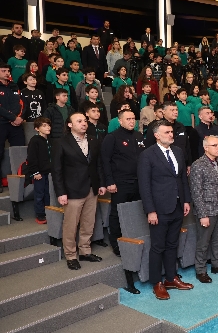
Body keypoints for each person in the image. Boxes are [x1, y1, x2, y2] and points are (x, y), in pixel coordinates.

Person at [138, 120, 193, 300]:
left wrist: (186, 200)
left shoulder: (178, 151)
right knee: (158, 247)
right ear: (156, 135)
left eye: (172, 132)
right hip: (159, 208)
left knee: (172, 244)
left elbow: (182, 179)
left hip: (177, 206)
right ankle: (157, 282)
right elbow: (144, 185)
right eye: (167, 132)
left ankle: (171, 278)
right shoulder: (147, 155)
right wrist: (150, 210)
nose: (171, 134)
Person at [51, 112, 106, 270]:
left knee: (88, 223)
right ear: (70, 125)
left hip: (92, 188)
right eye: (79, 121)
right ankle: (70, 255)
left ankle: (85, 251)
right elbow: (56, 170)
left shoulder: (93, 140)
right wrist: (60, 192)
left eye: (85, 121)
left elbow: (98, 164)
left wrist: (101, 184)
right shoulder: (61, 142)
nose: (84, 123)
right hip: (72, 190)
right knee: (71, 225)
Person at [189, 135, 218, 282]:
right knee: (203, 243)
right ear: (206, 148)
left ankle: (217, 265)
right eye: (214, 145)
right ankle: (201, 270)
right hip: (207, 209)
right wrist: (202, 214)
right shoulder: (198, 165)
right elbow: (196, 192)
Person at [101, 109, 145, 256]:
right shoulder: (112, 137)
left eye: (133, 119)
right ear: (120, 121)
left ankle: (133, 239)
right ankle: (116, 243)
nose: (132, 121)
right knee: (117, 213)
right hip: (120, 182)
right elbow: (105, 160)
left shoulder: (138, 136)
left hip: (138, 181)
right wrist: (109, 181)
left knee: (136, 210)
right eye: (128, 119)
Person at [0, 62, 25, 194]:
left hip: (16, 124)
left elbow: (22, 103)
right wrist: (12, 117)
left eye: (8, 71)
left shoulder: (14, 86)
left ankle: (21, 182)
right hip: (2, 123)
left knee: (20, 152)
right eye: (3, 71)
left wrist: (19, 117)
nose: (7, 73)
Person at [25, 117, 52, 224]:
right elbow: (31, 158)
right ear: (37, 128)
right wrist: (35, 172)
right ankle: (40, 214)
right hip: (39, 173)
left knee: (48, 193)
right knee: (39, 194)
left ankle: (49, 212)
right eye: (44, 125)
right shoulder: (35, 140)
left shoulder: (49, 140)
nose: (48, 127)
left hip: (49, 172)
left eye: (48, 125)